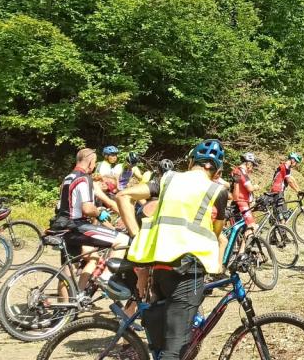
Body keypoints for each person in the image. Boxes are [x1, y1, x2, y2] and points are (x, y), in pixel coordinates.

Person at [115, 139, 230, 360]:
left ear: (191, 162)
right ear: (217, 170)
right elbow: (216, 235)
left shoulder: (168, 179)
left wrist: (136, 236)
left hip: (158, 266)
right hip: (186, 271)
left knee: (162, 341)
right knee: (175, 350)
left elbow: (123, 195)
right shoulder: (217, 191)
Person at [53, 148, 131, 289]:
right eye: (94, 162)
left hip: (63, 226)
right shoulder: (84, 179)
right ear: (90, 162)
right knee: (122, 240)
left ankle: (70, 300)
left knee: (69, 271)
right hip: (77, 226)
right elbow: (89, 209)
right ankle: (105, 278)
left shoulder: (68, 178)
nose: (95, 166)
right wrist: (99, 213)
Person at [229, 152, 259, 229]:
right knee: (251, 227)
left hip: (242, 202)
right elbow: (250, 188)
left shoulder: (238, 171)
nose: (252, 169)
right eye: (252, 166)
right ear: (249, 164)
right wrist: (255, 187)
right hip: (241, 202)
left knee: (244, 228)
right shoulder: (241, 172)